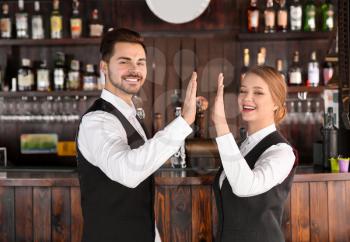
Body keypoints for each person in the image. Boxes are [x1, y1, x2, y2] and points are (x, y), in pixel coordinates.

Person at [76, 28, 197, 242]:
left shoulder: (130, 114)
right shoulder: (97, 121)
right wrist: (184, 121)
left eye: (140, 62)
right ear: (104, 67)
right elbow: (128, 172)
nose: (135, 70)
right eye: (124, 62)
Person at [211, 65, 297, 242]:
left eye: (258, 93)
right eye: (243, 91)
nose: (247, 98)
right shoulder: (241, 146)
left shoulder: (281, 152)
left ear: (276, 103)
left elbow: (245, 187)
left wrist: (220, 123)